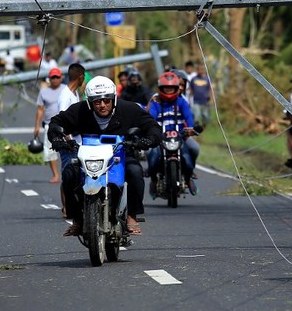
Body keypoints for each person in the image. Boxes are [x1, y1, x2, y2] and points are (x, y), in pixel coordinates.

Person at [48, 76, 162, 237]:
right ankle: (78, 220)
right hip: (88, 159)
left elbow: (152, 126)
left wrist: (147, 140)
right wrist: (57, 139)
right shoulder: (79, 111)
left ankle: (131, 216)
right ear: (90, 102)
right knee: (68, 175)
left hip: (120, 157)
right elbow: (56, 123)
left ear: (114, 99)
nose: (102, 105)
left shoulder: (129, 110)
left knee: (135, 172)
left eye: (107, 100)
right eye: (97, 101)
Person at [146, 72, 199, 198]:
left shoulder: (182, 102)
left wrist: (190, 129)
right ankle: (153, 180)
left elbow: (188, 116)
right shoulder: (156, 102)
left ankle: (188, 177)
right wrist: (151, 129)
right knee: (150, 155)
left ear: (177, 89)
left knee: (193, 150)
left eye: (172, 89)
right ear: (160, 89)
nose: (169, 92)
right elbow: (151, 117)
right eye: (166, 89)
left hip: (180, 137)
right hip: (160, 139)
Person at [33, 67, 65, 183]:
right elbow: (40, 109)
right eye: (53, 77)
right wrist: (36, 126)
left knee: (68, 149)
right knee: (50, 151)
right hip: (49, 125)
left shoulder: (67, 90)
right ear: (49, 79)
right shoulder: (44, 92)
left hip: (65, 125)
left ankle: (67, 172)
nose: (55, 79)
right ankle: (56, 175)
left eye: (57, 77)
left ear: (61, 78)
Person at [189, 63, 212, 128]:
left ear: (204, 70)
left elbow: (210, 89)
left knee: (205, 115)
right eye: (199, 69)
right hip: (196, 100)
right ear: (197, 70)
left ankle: (204, 127)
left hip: (205, 100)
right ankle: (196, 126)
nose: (200, 71)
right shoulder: (194, 79)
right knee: (197, 114)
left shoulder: (207, 79)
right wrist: (191, 96)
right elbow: (191, 88)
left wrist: (210, 97)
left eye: (201, 69)